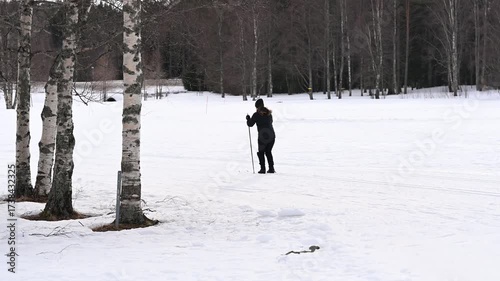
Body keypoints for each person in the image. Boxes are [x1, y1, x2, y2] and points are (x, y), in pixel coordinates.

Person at [246, 98, 276, 174]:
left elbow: (250, 124)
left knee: (261, 152)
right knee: (268, 152)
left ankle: (263, 169)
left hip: (263, 137)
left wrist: (248, 119)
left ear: (257, 107)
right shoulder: (269, 113)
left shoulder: (256, 115)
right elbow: (271, 122)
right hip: (272, 135)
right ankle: (271, 168)